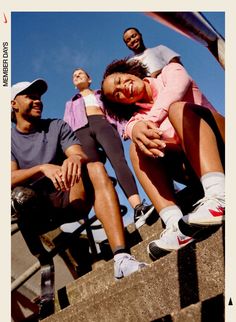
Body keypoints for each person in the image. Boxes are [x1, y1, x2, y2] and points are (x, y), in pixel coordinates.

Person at [11, 78, 148, 279]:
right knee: (20, 195)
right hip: (37, 209)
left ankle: (122, 258)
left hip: (71, 198)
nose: (38, 100)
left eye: (39, 97)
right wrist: (42, 168)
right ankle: (45, 258)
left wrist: (74, 159)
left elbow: (77, 153)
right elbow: (9, 176)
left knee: (95, 167)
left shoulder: (57, 126)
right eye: (31, 96)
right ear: (13, 104)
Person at [100, 58, 225, 260]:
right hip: (191, 170)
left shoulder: (169, 72)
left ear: (131, 72)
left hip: (224, 146)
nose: (123, 88)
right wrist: (134, 129)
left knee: (177, 109)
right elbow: (132, 129)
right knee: (136, 149)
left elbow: (176, 88)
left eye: (120, 80)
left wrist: (148, 122)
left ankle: (221, 196)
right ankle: (176, 225)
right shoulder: (137, 119)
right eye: (118, 95)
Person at [63, 68, 154, 229]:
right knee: (94, 173)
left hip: (103, 125)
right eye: (74, 75)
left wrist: (125, 127)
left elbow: (115, 112)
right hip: (81, 132)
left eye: (80, 74)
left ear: (89, 79)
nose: (76, 76)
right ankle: (112, 223)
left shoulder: (102, 95)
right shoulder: (70, 102)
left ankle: (138, 208)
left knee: (119, 162)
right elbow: (67, 124)